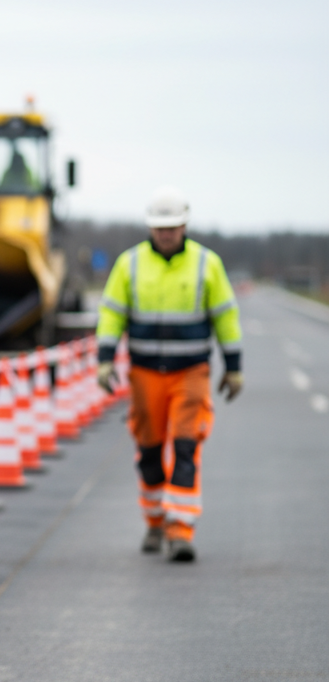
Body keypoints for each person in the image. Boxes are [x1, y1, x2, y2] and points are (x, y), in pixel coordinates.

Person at [95, 186, 243, 562]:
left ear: (184, 226)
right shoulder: (129, 264)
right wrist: (105, 358)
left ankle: (180, 530)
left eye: (172, 227)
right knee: (148, 450)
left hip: (190, 371)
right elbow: (112, 312)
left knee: (185, 446)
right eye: (160, 227)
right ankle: (155, 521)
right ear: (150, 228)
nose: (166, 234)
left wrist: (234, 366)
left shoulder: (205, 264)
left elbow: (225, 315)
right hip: (145, 373)